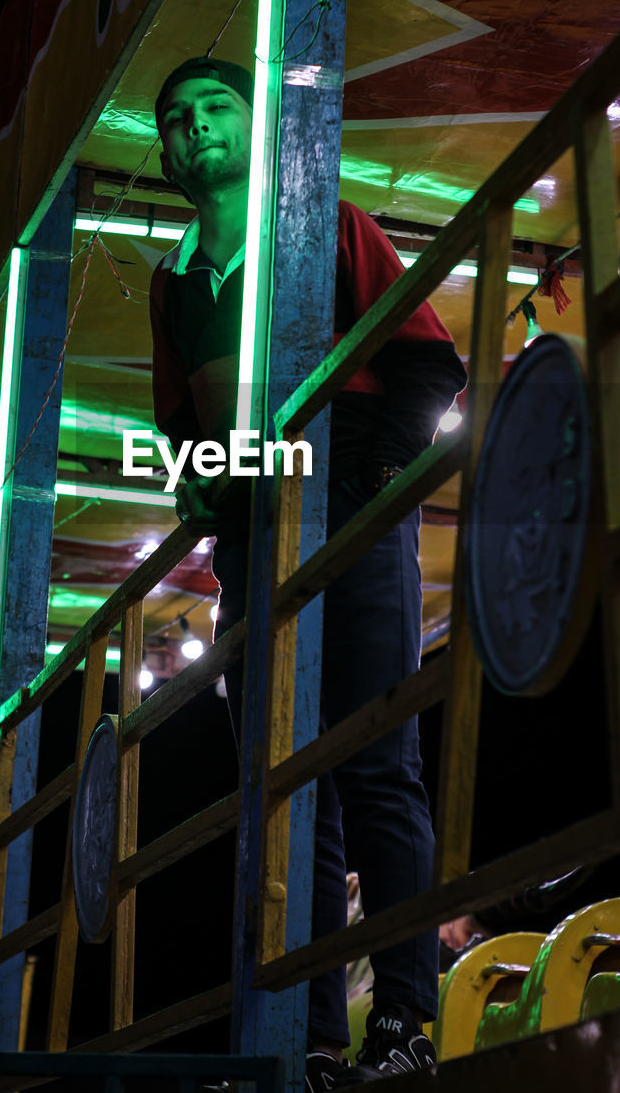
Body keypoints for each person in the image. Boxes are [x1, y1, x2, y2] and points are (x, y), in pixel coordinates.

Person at [148, 57, 467, 1087]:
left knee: (378, 763)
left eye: (213, 108)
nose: (195, 129)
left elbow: (428, 364)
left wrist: (363, 478)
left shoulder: (324, 219)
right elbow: (175, 425)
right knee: (290, 790)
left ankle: (406, 1019)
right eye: (176, 120)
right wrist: (202, 486)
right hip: (250, 550)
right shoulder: (173, 276)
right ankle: (316, 1036)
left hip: (351, 523)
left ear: (254, 124)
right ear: (164, 154)